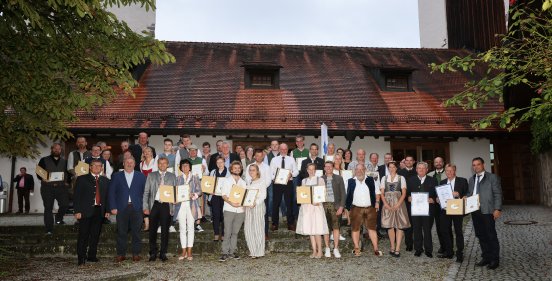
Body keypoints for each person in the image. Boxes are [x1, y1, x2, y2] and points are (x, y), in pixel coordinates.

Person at [109, 157, 146, 263]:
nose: (129, 164)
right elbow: (111, 193)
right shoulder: (116, 176)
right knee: (121, 232)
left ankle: (136, 254)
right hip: (121, 208)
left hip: (137, 208)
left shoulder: (141, 176)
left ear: (134, 164)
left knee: (137, 232)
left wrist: (144, 206)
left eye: (131, 163)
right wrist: (113, 207)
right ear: (123, 164)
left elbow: (145, 193)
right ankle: (121, 254)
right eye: (127, 162)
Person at [73, 159, 110, 265]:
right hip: (85, 211)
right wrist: (77, 211)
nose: (98, 167)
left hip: (99, 211)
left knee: (95, 235)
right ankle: (81, 258)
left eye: (100, 166)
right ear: (90, 167)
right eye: (95, 165)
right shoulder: (82, 179)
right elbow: (77, 196)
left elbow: (106, 197)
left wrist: (107, 210)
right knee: (83, 235)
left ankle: (92, 256)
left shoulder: (105, 180)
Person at [469, 157, 502, 270]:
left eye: (478, 164)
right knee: (481, 235)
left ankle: (494, 259)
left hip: (488, 211)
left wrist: (497, 208)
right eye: (474, 165)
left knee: (491, 235)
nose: (476, 167)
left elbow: (498, 194)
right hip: (475, 211)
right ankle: (486, 257)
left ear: (483, 165)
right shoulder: (472, 179)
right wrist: (465, 197)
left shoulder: (492, 177)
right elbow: (470, 193)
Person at [143, 157, 177, 262]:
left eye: (164, 163)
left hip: (166, 205)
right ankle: (153, 252)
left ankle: (163, 253)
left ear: (167, 165)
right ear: (158, 164)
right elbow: (146, 192)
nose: (162, 165)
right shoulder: (151, 175)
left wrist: (174, 205)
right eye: (160, 163)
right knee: (152, 230)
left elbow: (175, 192)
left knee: (165, 231)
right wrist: (145, 207)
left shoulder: (172, 176)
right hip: (154, 204)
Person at [345, 164, 382, 257]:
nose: (359, 171)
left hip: (370, 208)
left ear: (365, 170)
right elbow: (347, 195)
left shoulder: (371, 180)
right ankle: (356, 248)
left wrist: (377, 202)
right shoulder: (350, 181)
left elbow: (377, 193)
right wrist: (347, 208)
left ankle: (376, 249)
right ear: (355, 170)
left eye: (361, 169)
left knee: (372, 229)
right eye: (357, 169)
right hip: (356, 208)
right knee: (355, 229)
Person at [296, 163, 328, 258]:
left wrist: (318, 201)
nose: (311, 171)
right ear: (307, 170)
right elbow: (302, 194)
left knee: (317, 230)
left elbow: (323, 193)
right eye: (309, 169)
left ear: (315, 170)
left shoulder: (320, 179)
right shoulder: (304, 181)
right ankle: (314, 251)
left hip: (316, 207)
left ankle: (320, 251)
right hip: (307, 207)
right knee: (310, 230)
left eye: (313, 169)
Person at [437, 163, 468, 262]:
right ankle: (449, 252)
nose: (449, 173)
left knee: (458, 231)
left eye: (451, 170)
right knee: (445, 231)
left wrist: (460, 195)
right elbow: (439, 195)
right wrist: (438, 199)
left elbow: (468, 193)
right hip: (445, 210)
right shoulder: (442, 182)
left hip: (457, 209)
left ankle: (460, 253)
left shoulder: (462, 181)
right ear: (445, 172)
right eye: (447, 171)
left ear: (455, 171)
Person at [407, 162, 437, 258]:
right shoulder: (411, 180)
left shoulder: (433, 180)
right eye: (419, 168)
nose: (421, 170)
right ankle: (418, 249)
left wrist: (433, 199)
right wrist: (408, 198)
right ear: (416, 170)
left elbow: (437, 194)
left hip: (428, 210)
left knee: (427, 230)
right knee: (416, 229)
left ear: (427, 170)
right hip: (415, 210)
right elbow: (407, 193)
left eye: (423, 168)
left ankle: (428, 250)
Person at [380, 161, 410, 258]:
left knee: (399, 226)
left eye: (393, 167)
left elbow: (404, 193)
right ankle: (392, 246)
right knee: (390, 226)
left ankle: (397, 248)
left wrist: (398, 205)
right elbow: (382, 193)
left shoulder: (401, 178)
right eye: (390, 167)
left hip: (399, 203)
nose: (391, 169)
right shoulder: (384, 178)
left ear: (396, 168)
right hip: (387, 203)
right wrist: (386, 205)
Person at [37, 143, 69, 234]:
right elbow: (39, 172)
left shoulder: (65, 161)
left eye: (59, 149)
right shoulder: (44, 160)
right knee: (48, 208)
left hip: (61, 188)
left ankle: (58, 218)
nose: (57, 150)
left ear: (61, 150)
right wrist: (42, 178)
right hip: (47, 188)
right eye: (55, 149)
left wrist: (67, 182)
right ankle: (49, 229)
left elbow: (68, 174)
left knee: (65, 205)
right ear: (51, 149)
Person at [174, 159, 202, 261]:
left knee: (190, 227)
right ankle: (183, 251)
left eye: (187, 165)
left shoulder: (195, 178)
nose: (185, 167)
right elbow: (175, 193)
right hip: (180, 206)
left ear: (190, 167)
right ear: (180, 168)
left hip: (192, 205)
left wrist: (193, 194)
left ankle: (189, 251)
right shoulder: (177, 179)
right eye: (183, 166)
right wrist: (175, 199)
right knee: (182, 228)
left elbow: (200, 192)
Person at [219, 161, 247, 262]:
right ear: (231, 169)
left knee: (235, 233)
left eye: (239, 168)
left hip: (240, 210)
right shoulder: (227, 181)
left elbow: (245, 197)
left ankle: (232, 252)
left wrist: (244, 205)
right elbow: (224, 195)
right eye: (235, 168)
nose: (237, 170)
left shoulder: (243, 183)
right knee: (227, 232)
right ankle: (224, 252)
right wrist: (231, 203)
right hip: (229, 209)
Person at [269, 143, 299, 231]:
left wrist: (291, 174)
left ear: (287, 150)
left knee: (289, 203)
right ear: (279, 149)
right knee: (276, 203)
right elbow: (271, 173)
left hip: (288, 183)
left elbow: (296, 171)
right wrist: (274, 178)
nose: (283, 151)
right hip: (277, 184)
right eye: (282, 149)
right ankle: (275, 224)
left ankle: (291, 223)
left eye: (285, 149)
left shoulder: (291, 159)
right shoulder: (274, 160)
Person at [321, 161, 346, 258]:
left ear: (333, 168)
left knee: (336, 228)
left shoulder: (339, 178)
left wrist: (341, 207)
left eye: (330, 166)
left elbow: (343, 193)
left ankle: (336, 248)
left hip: (336, 206)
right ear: (324, 168)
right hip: (324, 206)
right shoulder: (321, 179)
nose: (328, 168)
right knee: (325, 229)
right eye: (326, 166)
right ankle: (327, 248)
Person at [245, 149, 272, 239]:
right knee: (251, 213)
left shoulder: (267, 167)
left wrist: (261, 186)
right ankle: (252, 233)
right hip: (251, 192)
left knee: (264, 213)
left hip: (262, 192)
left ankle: (265, 233)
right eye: (257, 155)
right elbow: (247, 179)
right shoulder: (249, 166)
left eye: (261, 156)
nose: (259, 157)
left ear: (263, 156)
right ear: (254, 156)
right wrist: (253, 187)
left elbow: (268, 180)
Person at [244, 164, 267, 258]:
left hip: (258, 206)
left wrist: (256, 203)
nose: (251, 172)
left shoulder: (262, 181)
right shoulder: (248, 182)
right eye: (250, 170)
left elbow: (263, 195)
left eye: (253, 170)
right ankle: (252, 251)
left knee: (258, 228)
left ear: (257, 171)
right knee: (248, 229)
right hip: (248, 207)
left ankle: (259, 251)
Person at [427, 156, 448, 255]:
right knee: (436, 227)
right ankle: (442, 246)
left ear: (443, 163)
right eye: (436, 162)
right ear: (434, 164)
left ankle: (446, 246)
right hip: (433, 205)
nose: (438, 163)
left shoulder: (448, 173)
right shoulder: (430, 175)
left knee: (444, 227)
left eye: (440, 162)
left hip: (445, 204)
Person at [209, 156, 229, 241]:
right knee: (216, 215)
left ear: (224, 162)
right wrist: (210, 190)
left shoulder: (229, 172)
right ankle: (216, 234)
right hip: (215, 196)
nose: (220, 164)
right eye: (218, 162)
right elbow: (209, 184)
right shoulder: (213, 172)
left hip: (225, 196)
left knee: (224, 215)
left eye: (221, 162)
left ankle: (224, 234)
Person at [399, 155, 417, 251]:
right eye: (407, 160)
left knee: (417, 223)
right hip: (405, 201)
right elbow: (399, 188)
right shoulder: (400, 173)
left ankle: (418, 243)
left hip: (417, 201)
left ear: (414, 162)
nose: (409, 162)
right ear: (404, 162)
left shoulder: (417, 171)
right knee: (407, 223)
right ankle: (409, 244)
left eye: (411, 160)